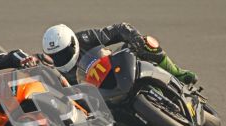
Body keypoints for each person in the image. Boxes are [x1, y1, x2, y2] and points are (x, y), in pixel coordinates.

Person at [42, 23, 197, 85]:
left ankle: (177, 73)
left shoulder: (85, 37)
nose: (61, 58)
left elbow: (119, 29)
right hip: (101, 103)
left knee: (146, 43)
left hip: (116, 69)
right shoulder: (53, 70)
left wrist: (135, 39)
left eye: (64, 52)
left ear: (73, 43)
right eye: (56, 56)